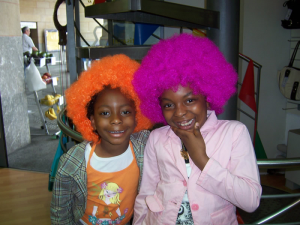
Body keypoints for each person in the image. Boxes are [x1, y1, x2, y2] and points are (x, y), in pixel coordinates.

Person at [132, 34, 262, 225]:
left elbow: (250, 201)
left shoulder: (234, 133)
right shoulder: (157, 138)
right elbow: (147, 193)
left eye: (190, 100)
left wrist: (203, 160)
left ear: (208, 97)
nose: (179, 113)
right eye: (168, 105)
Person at [50, 54, 153, 225]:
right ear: (92, 121)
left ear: (137, 116)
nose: (116, 120)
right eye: (105, 113)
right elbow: (60, 212)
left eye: (126, 111)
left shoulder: (143, 144)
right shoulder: (72, 162)